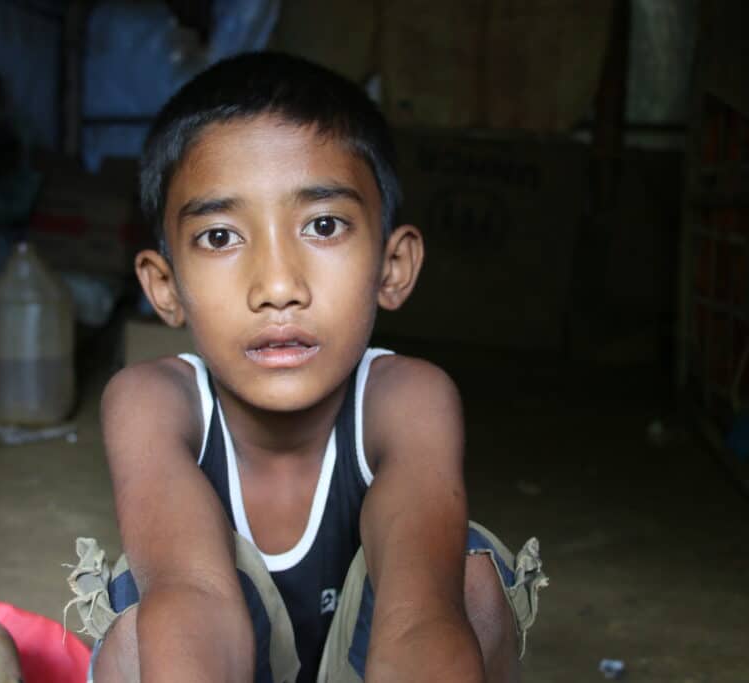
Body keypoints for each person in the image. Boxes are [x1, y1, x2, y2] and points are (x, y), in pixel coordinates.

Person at [66, 51, 547, 683]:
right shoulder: (153, 401)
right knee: (139, 629)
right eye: (219, 236)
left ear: (392, 265)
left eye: (323, 225)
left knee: (469, 580)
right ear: (166, 288)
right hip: (214, 664)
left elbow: (419, 618)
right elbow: (193, 601)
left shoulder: (408, 399)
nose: (277, 285)